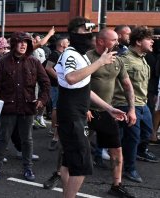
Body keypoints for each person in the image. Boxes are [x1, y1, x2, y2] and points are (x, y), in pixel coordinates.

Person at [54, 17, 126, 198]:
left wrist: (108, 108)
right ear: (73, 33)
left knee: (70, 162)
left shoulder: (81, 55)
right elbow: (71, 78)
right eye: (84, 31)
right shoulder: (71, 54)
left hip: (76, 113)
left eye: (90, 30)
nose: (88, 34)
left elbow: (85, 88)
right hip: (71, 115)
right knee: (82, 164)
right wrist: (100, 62)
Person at [0, 31, 51, 182]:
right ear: (14, 43)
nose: (23, 45)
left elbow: (45, 83)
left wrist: (42, 99)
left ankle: (27, 169)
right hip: (8, 106)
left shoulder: (34, 62)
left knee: (27, 139)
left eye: (26, 42)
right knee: (3, 138)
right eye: (20, 42)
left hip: (28, 107)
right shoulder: (2, 62)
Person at [86, 28, 136, 197]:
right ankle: (58, 174)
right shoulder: (87, 58)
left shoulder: (118, 61)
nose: (118, 42)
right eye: (114, 40)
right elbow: (78, 85)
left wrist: (131, 109)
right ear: (101, 41)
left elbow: (128, 86)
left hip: (107, 112)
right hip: (86, 113)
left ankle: (116, 185)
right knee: (71, 147)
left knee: (116, 150)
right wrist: (84, 107)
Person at [113, 26, 159, 184]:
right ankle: (129, 169)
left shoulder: (142, 57)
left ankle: (126, 153)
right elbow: (117, 81)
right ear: (139, 41)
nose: (152, 41)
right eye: (149, 39)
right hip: (127, 103)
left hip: (142, 103)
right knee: (133, 138)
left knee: (147, 134)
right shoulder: (125, 58)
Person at [45, 36, 69, 151]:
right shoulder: (55, 54)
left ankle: (56, 131)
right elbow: (48, 68)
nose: (68, 43)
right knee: (56, 107)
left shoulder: (64, 54)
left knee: (58, 107)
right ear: (61, 44)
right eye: (67, 41)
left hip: (59, 85)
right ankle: (54, 131)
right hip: (56, 86)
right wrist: (60, 79)